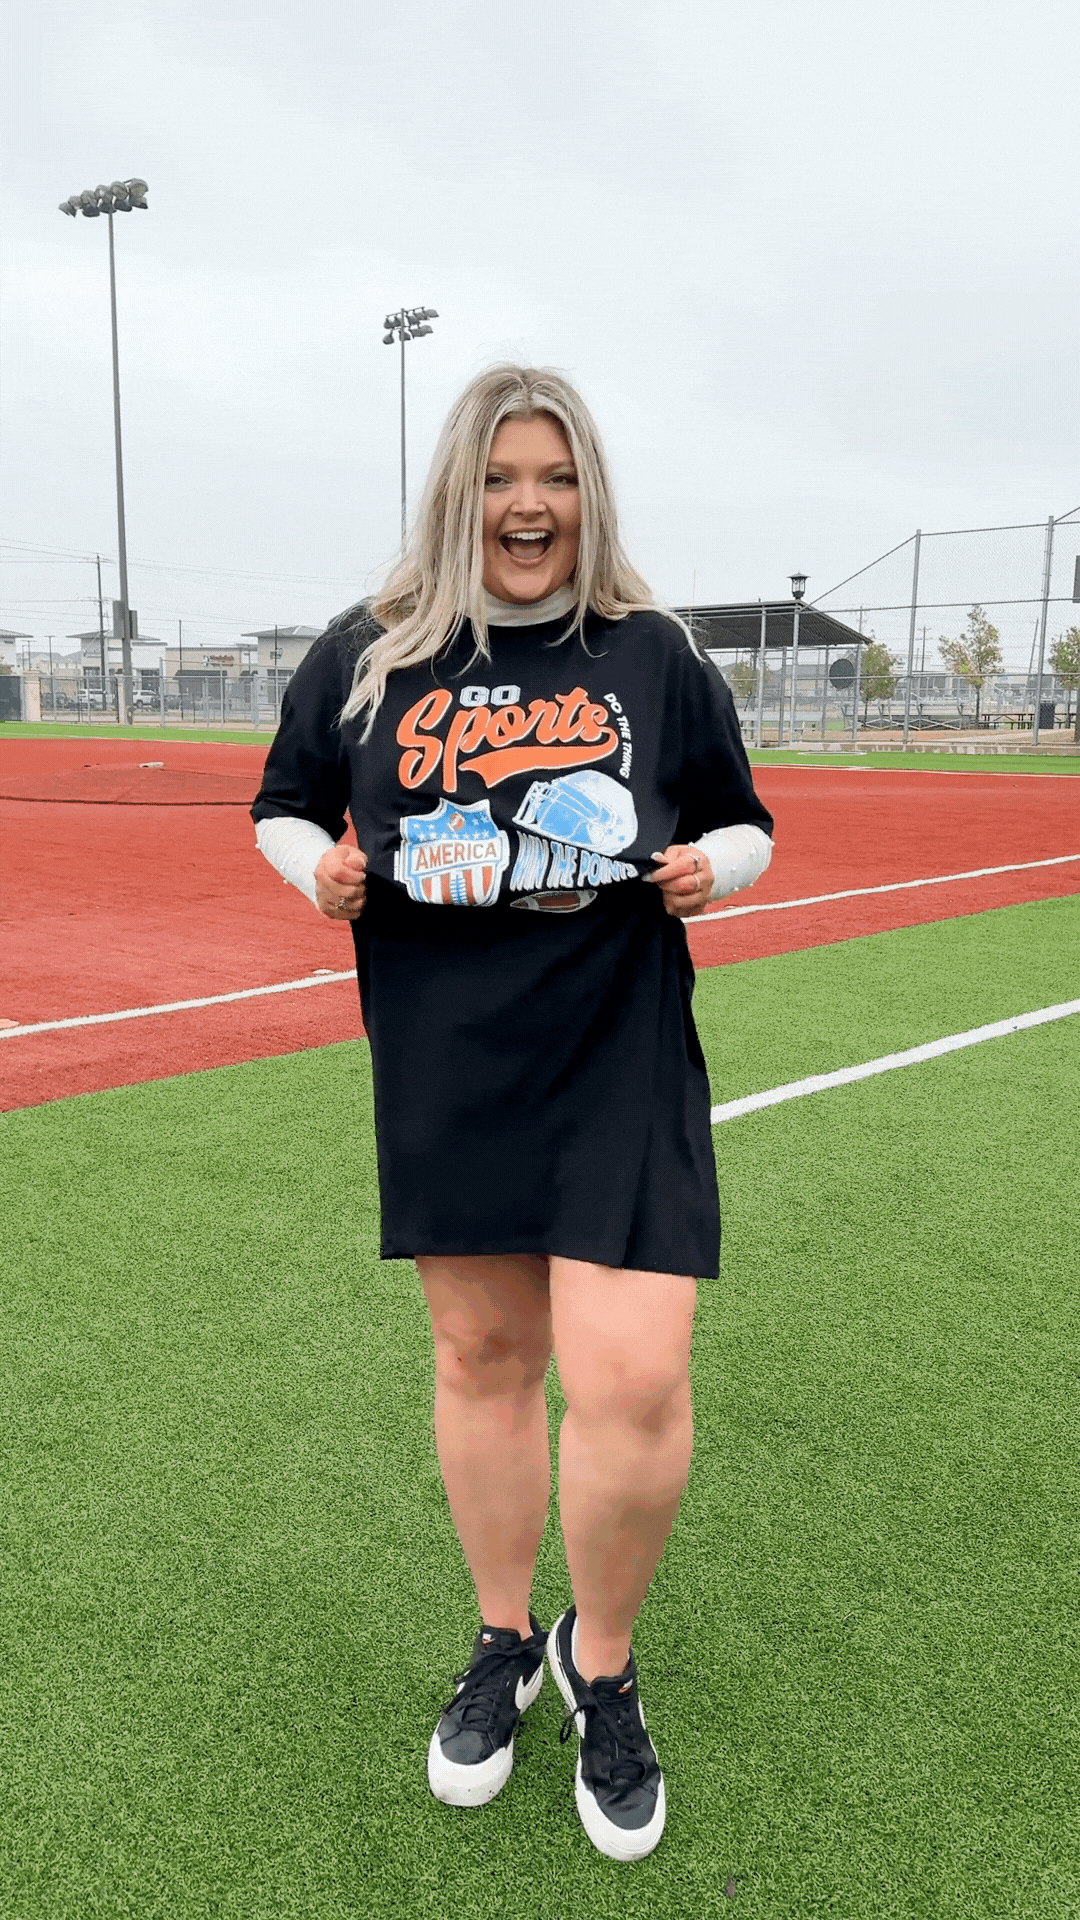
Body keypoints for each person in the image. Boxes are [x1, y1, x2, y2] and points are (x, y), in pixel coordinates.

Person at [252, 365, 773, 1863]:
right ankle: (501, 1639)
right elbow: (285, 803)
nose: (526, 505)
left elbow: (741, 816)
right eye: (497, 477)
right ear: (456, 492)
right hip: (448, 1053)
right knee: (482, 1357)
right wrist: (316, 869)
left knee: (634, 1383)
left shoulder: (652, 652)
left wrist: (714, 870)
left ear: (586, 492)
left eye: (552, 477)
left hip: (617, 1049)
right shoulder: (370, 652)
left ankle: (600, 1665)